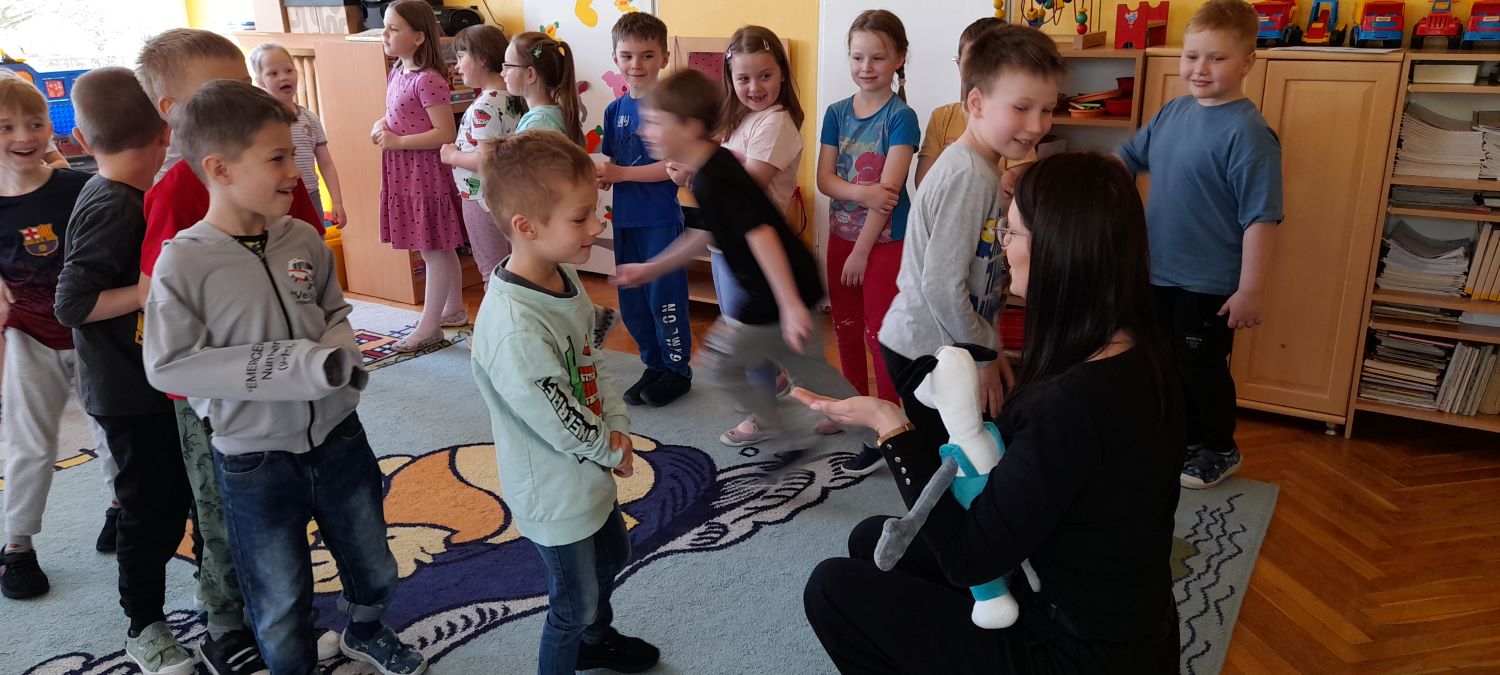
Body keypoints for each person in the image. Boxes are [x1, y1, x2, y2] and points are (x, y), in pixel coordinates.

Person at [801, 152, 1183, 673]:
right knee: (873, 540)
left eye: (1013, 233)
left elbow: (968, 559)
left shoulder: (1067, 406)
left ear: (1058, 250)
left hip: (1077, 650)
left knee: (832, 589)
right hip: (1120, 619)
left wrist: (891, 426)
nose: (1003, 247)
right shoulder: (1143, 354)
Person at [143, 81, 427, 675]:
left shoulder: (302, 237)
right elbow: (168, 363)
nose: (296, 171)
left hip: (339, 436)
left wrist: (342, 361)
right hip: (255, 458)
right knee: (277, 596)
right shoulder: (183, 261)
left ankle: (366, 631)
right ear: (219, 169)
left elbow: (335, 312)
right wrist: (293, 365)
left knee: (375, 562)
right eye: (277, 158)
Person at [134, 26, 330, 667]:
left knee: (291, 497)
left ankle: (281, 605)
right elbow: (162, 300)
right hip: (214, 400)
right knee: (222, 505)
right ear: (174, 113)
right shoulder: (177, 191)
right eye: (223, 89)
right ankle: (225, 622)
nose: (247, 99)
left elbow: (307, 247)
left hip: (290, 377)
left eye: (245, 84)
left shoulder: (272, 169)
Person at [469, 130, 660, 675]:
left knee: (612, 557)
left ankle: (596, 641)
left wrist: (616, 422)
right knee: (572, 603)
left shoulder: (564, 277)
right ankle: (572, 648)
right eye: (581, 218)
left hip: (588, 468)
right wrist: (608, 447)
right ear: (526, 227)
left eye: (594, 212)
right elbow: (555, 416)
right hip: (552, 487)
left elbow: (590, 360)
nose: (597, 226)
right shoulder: (515, 329)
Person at [616, 69, 874, 472]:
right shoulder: (709, 169)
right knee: (804, 370)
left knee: (729, 366)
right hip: (774, 287)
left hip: (779, 290)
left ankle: (864, 434)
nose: (644, 130)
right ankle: (853, 434)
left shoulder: (715, 178)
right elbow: (705, 233)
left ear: (689, 127)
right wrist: (652, 269)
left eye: (654, 122)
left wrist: (789, 305)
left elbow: (762, 233)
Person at [51, 66, 203, 675]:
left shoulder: (126, 193)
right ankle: (144, 624)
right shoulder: (113, 204)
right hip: (126, 392)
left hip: (154, 382)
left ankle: (210, 592)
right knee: (152, 512)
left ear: (81, 139)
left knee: (185, 494)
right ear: (166, 133)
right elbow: (72, 303)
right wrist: (146, 292)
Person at [878, 24, 1065, 458]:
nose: (1037, 125)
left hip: (950, 348)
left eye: (1047, 110)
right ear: (976, 103)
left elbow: (980, 276)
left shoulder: (981, 169)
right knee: (957, 464)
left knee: (969, 454)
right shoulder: (969, 176)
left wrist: (989, 348)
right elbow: (942, 287)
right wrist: (982, 356)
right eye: (1021, 108)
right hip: (927, 351)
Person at [1117, 0, 1283, 490]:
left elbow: (1261, 218)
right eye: (1191, 56)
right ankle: (1181, 440)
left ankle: (1218, 448)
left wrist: (1250, 289)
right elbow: (1126, 159)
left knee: (1200, 368)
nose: (1200, 68)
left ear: (1248, 63)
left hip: (1210, 283)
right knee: (1160, 363)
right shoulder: (1173, 112)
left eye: (1217, 58)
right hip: (1157, 272)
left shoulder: (1250, 135)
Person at [711, 24, 842, 451]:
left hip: (757, 251)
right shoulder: (738, 120)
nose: (755, 87)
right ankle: (776, 387)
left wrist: (696, 169)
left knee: (755, 336)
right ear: (730, 78)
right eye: (744, 78)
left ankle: (768, 414)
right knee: (752, 332)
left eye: (765, 75)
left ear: (782, 74)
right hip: (730, 246)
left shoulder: (777, 123)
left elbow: (745, 187)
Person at [0, 75, 93, 600]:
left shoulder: (76, 188)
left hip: (93, 331)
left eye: (34, 123)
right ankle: (17, 543)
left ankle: (120, 510)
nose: (23, 136)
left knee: (113, 429)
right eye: (6, 127)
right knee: (28, 442)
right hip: (29, 335)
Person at [817, 9, 918, 408]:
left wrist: (861, 251)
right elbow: (824, 181)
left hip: (883, 242)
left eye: (877, 57)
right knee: (845, 327)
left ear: (899, 58)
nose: (866, 67)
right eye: (857, 57)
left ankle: (889, 417)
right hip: (840, 236)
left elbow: (888, 195)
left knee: (880, 334)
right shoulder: (836, 113)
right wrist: (864, 193)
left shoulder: (901, 117)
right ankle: (852, 407)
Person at [597, 12, 693, 408]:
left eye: (647, 55)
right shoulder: (614, 110)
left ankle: (677, 371)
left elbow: (672, 168)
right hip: (625, 221)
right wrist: (605, 176)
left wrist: (620, 173)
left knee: (664, 300)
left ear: (664, 57)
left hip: (660, 222)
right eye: (627, 56)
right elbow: (613, 162)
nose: (636, 64)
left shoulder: (671, 108)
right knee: (633, 303)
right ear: (615, 59)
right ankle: (653, 365)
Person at [502, 29, 619, 345]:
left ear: (530, 74)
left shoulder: (539, 123)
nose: (502, 72)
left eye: (508, 65)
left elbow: (532, 178)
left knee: (546, 278)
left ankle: (574, 326)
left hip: (545, 217)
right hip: (549, 217)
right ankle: (589, 318)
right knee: (556, 275)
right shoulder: (548, 115)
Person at [373, 0, 468, 352]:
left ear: (418, 37)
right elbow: (395, 113)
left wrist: (398, 142)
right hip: (405, 170)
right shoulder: (398, 72)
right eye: (385, 27)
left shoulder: (429, 80)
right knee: (439, 247)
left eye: (393, 28)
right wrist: (380, 124)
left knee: (433, 249)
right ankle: (452, 309)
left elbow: (444, 132)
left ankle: (429, 326)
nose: (384, 34)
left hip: (424, 172)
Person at [439, 24, 525, 287]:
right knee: (513, 268)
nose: (457, 66)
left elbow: (489, 160)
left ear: (482, 59)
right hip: (509, 194)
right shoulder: (512, 98)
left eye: (460, 57)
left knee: (492, 272)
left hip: (481, 197)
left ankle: (495, 315)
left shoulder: (485, 106)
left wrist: (451, 156)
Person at [914, 17, 1037, 188]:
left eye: (995, 64)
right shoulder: (941, 117)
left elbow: (1017, 182)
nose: (981, 74)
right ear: (959, 65)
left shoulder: (1015, 121)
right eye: (972, 63)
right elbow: (923, 182)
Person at [250, 42, 348, 227]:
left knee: (315, 240)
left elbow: (326, 163)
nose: (283, 77)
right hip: (275, 196)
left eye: (289, 70)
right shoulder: (258, 122)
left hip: (310, 195)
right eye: (273, 73)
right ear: (261, 81)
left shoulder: (310, 119)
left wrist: (337, 202)